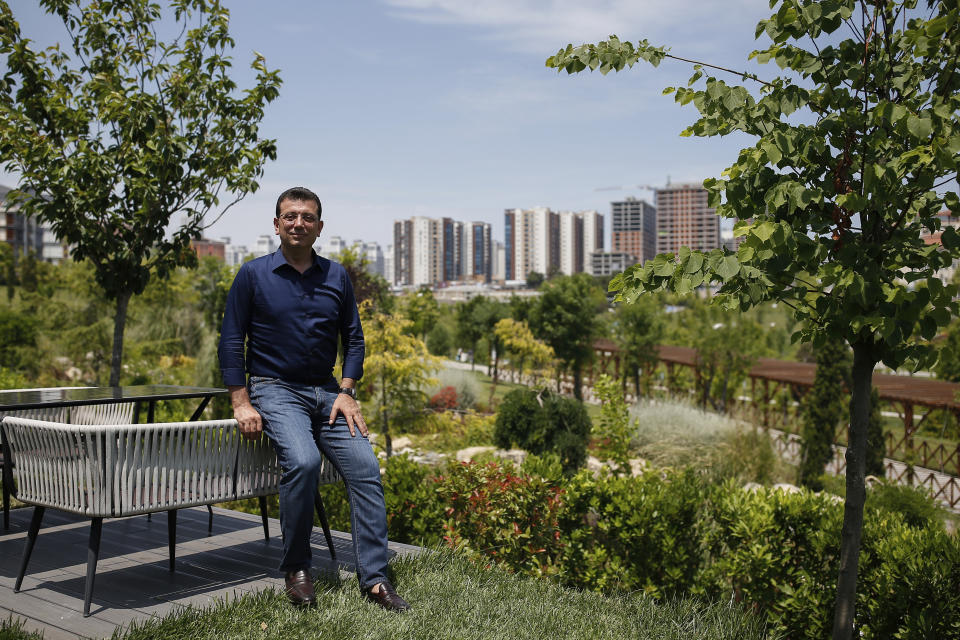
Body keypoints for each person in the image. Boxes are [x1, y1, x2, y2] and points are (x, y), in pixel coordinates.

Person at [218, 186, 410, 611]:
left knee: (365, 467)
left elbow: (354, 341)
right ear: (276, 224)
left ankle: (375, 579)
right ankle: (297, 568)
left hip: (327, 392)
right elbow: (232, 340)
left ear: (319, 226)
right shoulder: (252, 274)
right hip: (274, 388)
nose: (298, 223)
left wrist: (347, 390)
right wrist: (240, 401)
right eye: (290, 216)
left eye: (307, 217)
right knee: (303, 462)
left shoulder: (336, 276)